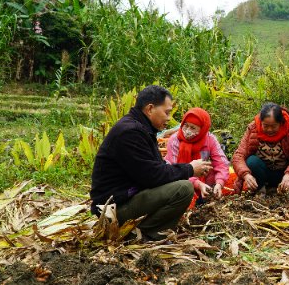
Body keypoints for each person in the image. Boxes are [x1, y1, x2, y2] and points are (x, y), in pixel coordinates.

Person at [90, 85, 211, 241]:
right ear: (150, 109)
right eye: (166, 112)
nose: (169, 118)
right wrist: (189, 169)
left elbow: (156, 169)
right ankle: (141, 234)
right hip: (113, 209)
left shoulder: (141, 128)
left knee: (179, 182)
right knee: (184, 188)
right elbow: (153, 176)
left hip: (126, 198)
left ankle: (142, 230)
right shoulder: (130, 132)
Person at [232, 103, 289, 198]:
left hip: (285, 175)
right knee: (252, 161)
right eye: (265, 126)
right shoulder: (253, 129)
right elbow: (238, 156)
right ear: (260, 122)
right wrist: (246, 175)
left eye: (274, 126)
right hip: (264, 174)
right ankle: (261, 192)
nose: (269, 130)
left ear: (281, 123)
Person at [165, 107, 230, 201]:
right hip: (180, 179)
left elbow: (221, 163)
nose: (187, 130)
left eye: (193, 128)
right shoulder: (175, 140)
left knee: (215, 173)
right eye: (186, 125)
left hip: (203, 177)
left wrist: (219, 183)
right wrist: (197, 184)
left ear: (202, 129)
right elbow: (175, 170)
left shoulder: (210, 140)